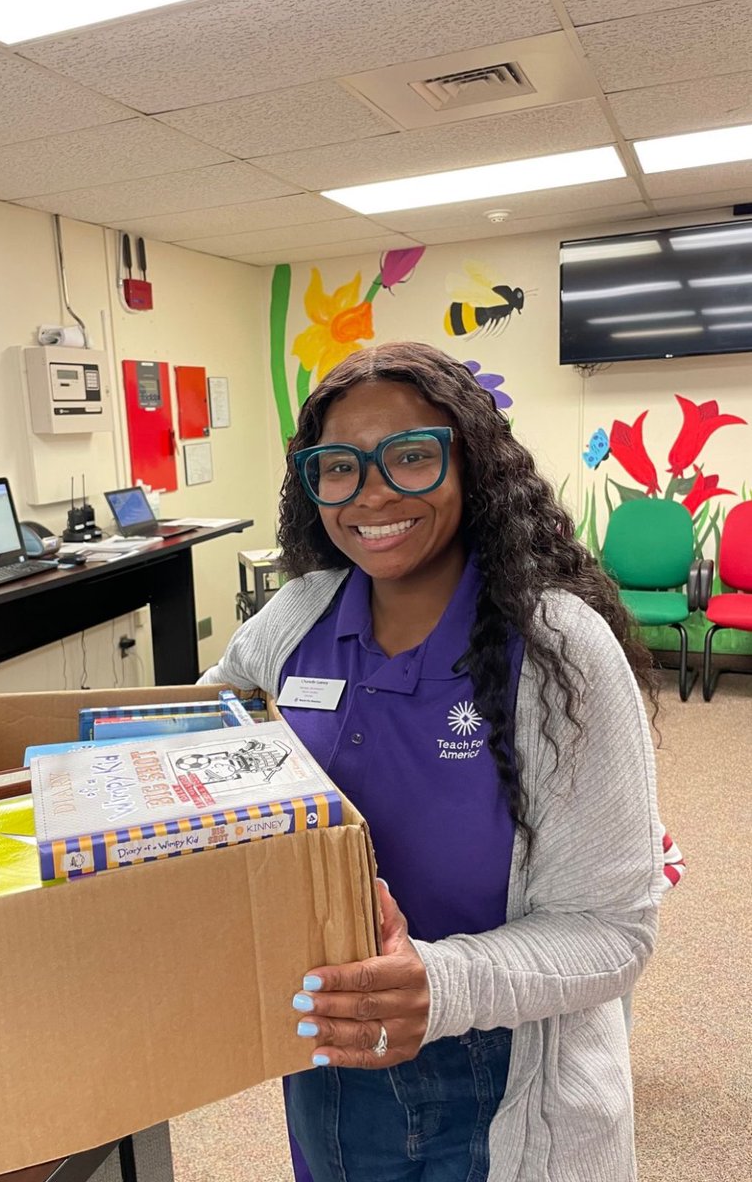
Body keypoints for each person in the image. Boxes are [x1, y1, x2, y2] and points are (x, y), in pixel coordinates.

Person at [200, 342, 664, 1182]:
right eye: (337, 467)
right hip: (323, 1052)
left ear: (473, 466)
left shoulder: (557, 649)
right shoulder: (299, 614)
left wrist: (438, 987)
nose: (371, 494)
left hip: (503, 1079)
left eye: (410, 456)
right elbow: (204, 720)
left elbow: (615, 931)